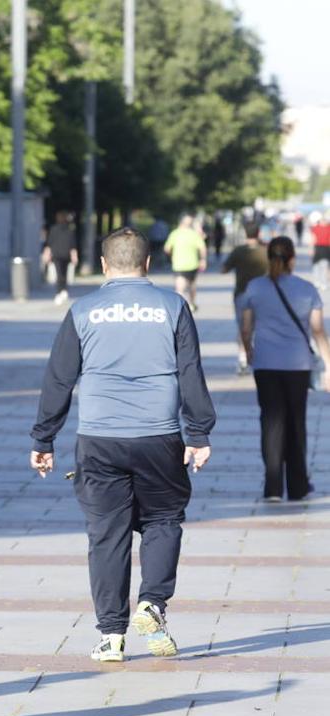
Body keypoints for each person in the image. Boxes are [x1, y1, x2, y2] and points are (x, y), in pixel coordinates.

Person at [30, 226, 216, 664]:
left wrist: (44, 438)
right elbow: (190, 373)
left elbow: (59, 378)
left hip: (98, 438)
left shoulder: (84, 309)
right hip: (158, 436)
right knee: (164, 519)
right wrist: (199, 433)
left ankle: (111, 636)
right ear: (148, 264)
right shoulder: (173, 306)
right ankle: (152, 603)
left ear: (103, 265)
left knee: (106, 535)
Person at [238, 236, 330, 502]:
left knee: (271, 422)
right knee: (296, 422)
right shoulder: (307, 289)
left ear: (270, 258)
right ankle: (299, 486)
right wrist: (327, 365)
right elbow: (318, 331)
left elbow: (246, 328)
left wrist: (249, 351)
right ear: (292, 259)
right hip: (298, 365)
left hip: (265, 364)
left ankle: (273, 487)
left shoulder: (254, 287)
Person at [221, 223, 267, 374]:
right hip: (262, 294)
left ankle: (242, 359)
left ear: (245, 233)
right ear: (259, 232)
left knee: (243, 328)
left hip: (242, 293)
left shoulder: (238, 251)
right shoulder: (266, 251)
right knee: (262, 327)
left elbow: (224, 269)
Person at [164, 215, 207, 312]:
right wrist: (203, 260)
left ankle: (180, 307)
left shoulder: (174, 234)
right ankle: (191, 303)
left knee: (180, 288)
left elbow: (167, 249)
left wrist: (172, 255)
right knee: (192, 285)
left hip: (178, 264)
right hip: (192, 264)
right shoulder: (194, 234)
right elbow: (202, 248)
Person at [42, 211, 79, 306]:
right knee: (65, 273)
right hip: (66, 254)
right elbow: (72, 245)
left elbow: (49, 243)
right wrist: (74, 256)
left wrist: (46, 254)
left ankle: (59, 292)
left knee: (59, 274)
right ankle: (64, 290)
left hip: (56, 255)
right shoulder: (70, 230)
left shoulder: (53, 229)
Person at [309, 212, 330, 288]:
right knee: (316, 266)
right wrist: (311, 249)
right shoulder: (315, 228)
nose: (324, 221)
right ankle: (316, 281)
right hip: (317, 247)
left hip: (326, 248)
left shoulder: (329, 227)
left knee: (324, 266)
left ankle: (323, 282)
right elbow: (313, 238)